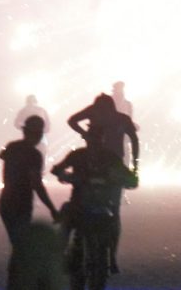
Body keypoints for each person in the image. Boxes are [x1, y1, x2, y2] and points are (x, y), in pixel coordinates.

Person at [52, 123, 139, 290]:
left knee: (112, 227)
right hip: (82, 204)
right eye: (92, 138)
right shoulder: (80, 155)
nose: (94, 142)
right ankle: (59, 255)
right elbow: (57, 169)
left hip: (101, 206)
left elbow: (131, 180)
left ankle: (111, 258)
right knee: (67, 217)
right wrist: (66, 176)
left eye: (96, 138)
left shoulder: (108, 157)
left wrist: (125, 180)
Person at [67, 93, 140, 273]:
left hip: (99, 164)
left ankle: (80, 251)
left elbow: (72, 120)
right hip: (114, 166)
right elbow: (135, 140)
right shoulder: (121, 118)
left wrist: (84, 134)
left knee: (81, 206)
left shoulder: (94, 113)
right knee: (114, 213)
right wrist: (135, 164)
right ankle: (111, 257)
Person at [0, 115, 58, 245]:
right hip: (21, 203)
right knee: (21, 246)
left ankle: (15, 265)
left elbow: (2, 155)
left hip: (6, 200)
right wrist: (52, 208)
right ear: (39, 134)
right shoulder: (34, 155)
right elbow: (37, 184)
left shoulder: (12, 147)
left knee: (17, 244)